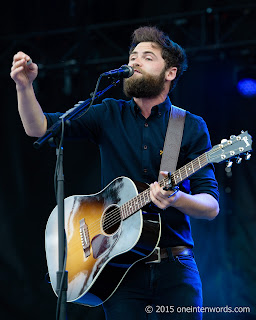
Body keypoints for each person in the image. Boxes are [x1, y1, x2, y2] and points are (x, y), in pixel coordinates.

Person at [11, 26, 219, 319]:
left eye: (147, 57)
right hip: (121, 273)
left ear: (169, 73)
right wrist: (24, 86)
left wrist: (176, 199)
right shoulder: (107, 112)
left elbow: (210, 207)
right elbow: (40, 129)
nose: (134, 62)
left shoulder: (188, 126)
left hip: (176, 270)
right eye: (133, 56)